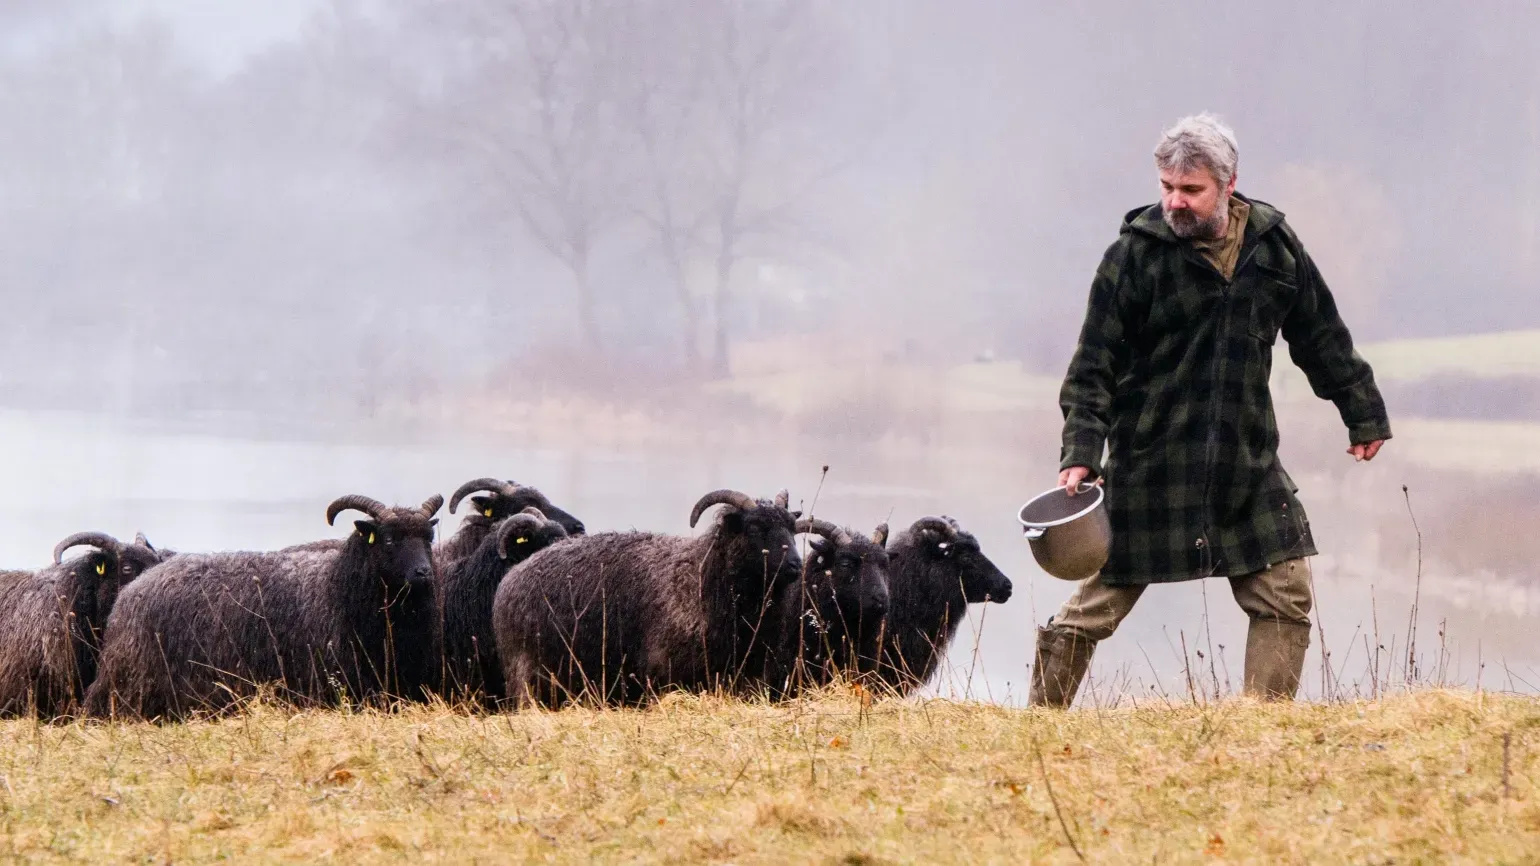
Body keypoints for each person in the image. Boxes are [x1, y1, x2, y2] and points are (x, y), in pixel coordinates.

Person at [1030, 112, 1391, 707]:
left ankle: (1261, 726)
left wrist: (1362, 411)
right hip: (1153, 463)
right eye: (1167, 188)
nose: (1176, 202)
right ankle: (1038, 722)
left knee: (1285, 589)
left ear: (1229, 184)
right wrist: (1080, 453)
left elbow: (1321, 334)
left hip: (1243, 461)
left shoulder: (1274, 249)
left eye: (1191, 190)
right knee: (1094, 606)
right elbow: (1093, 366)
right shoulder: (1132, 259)